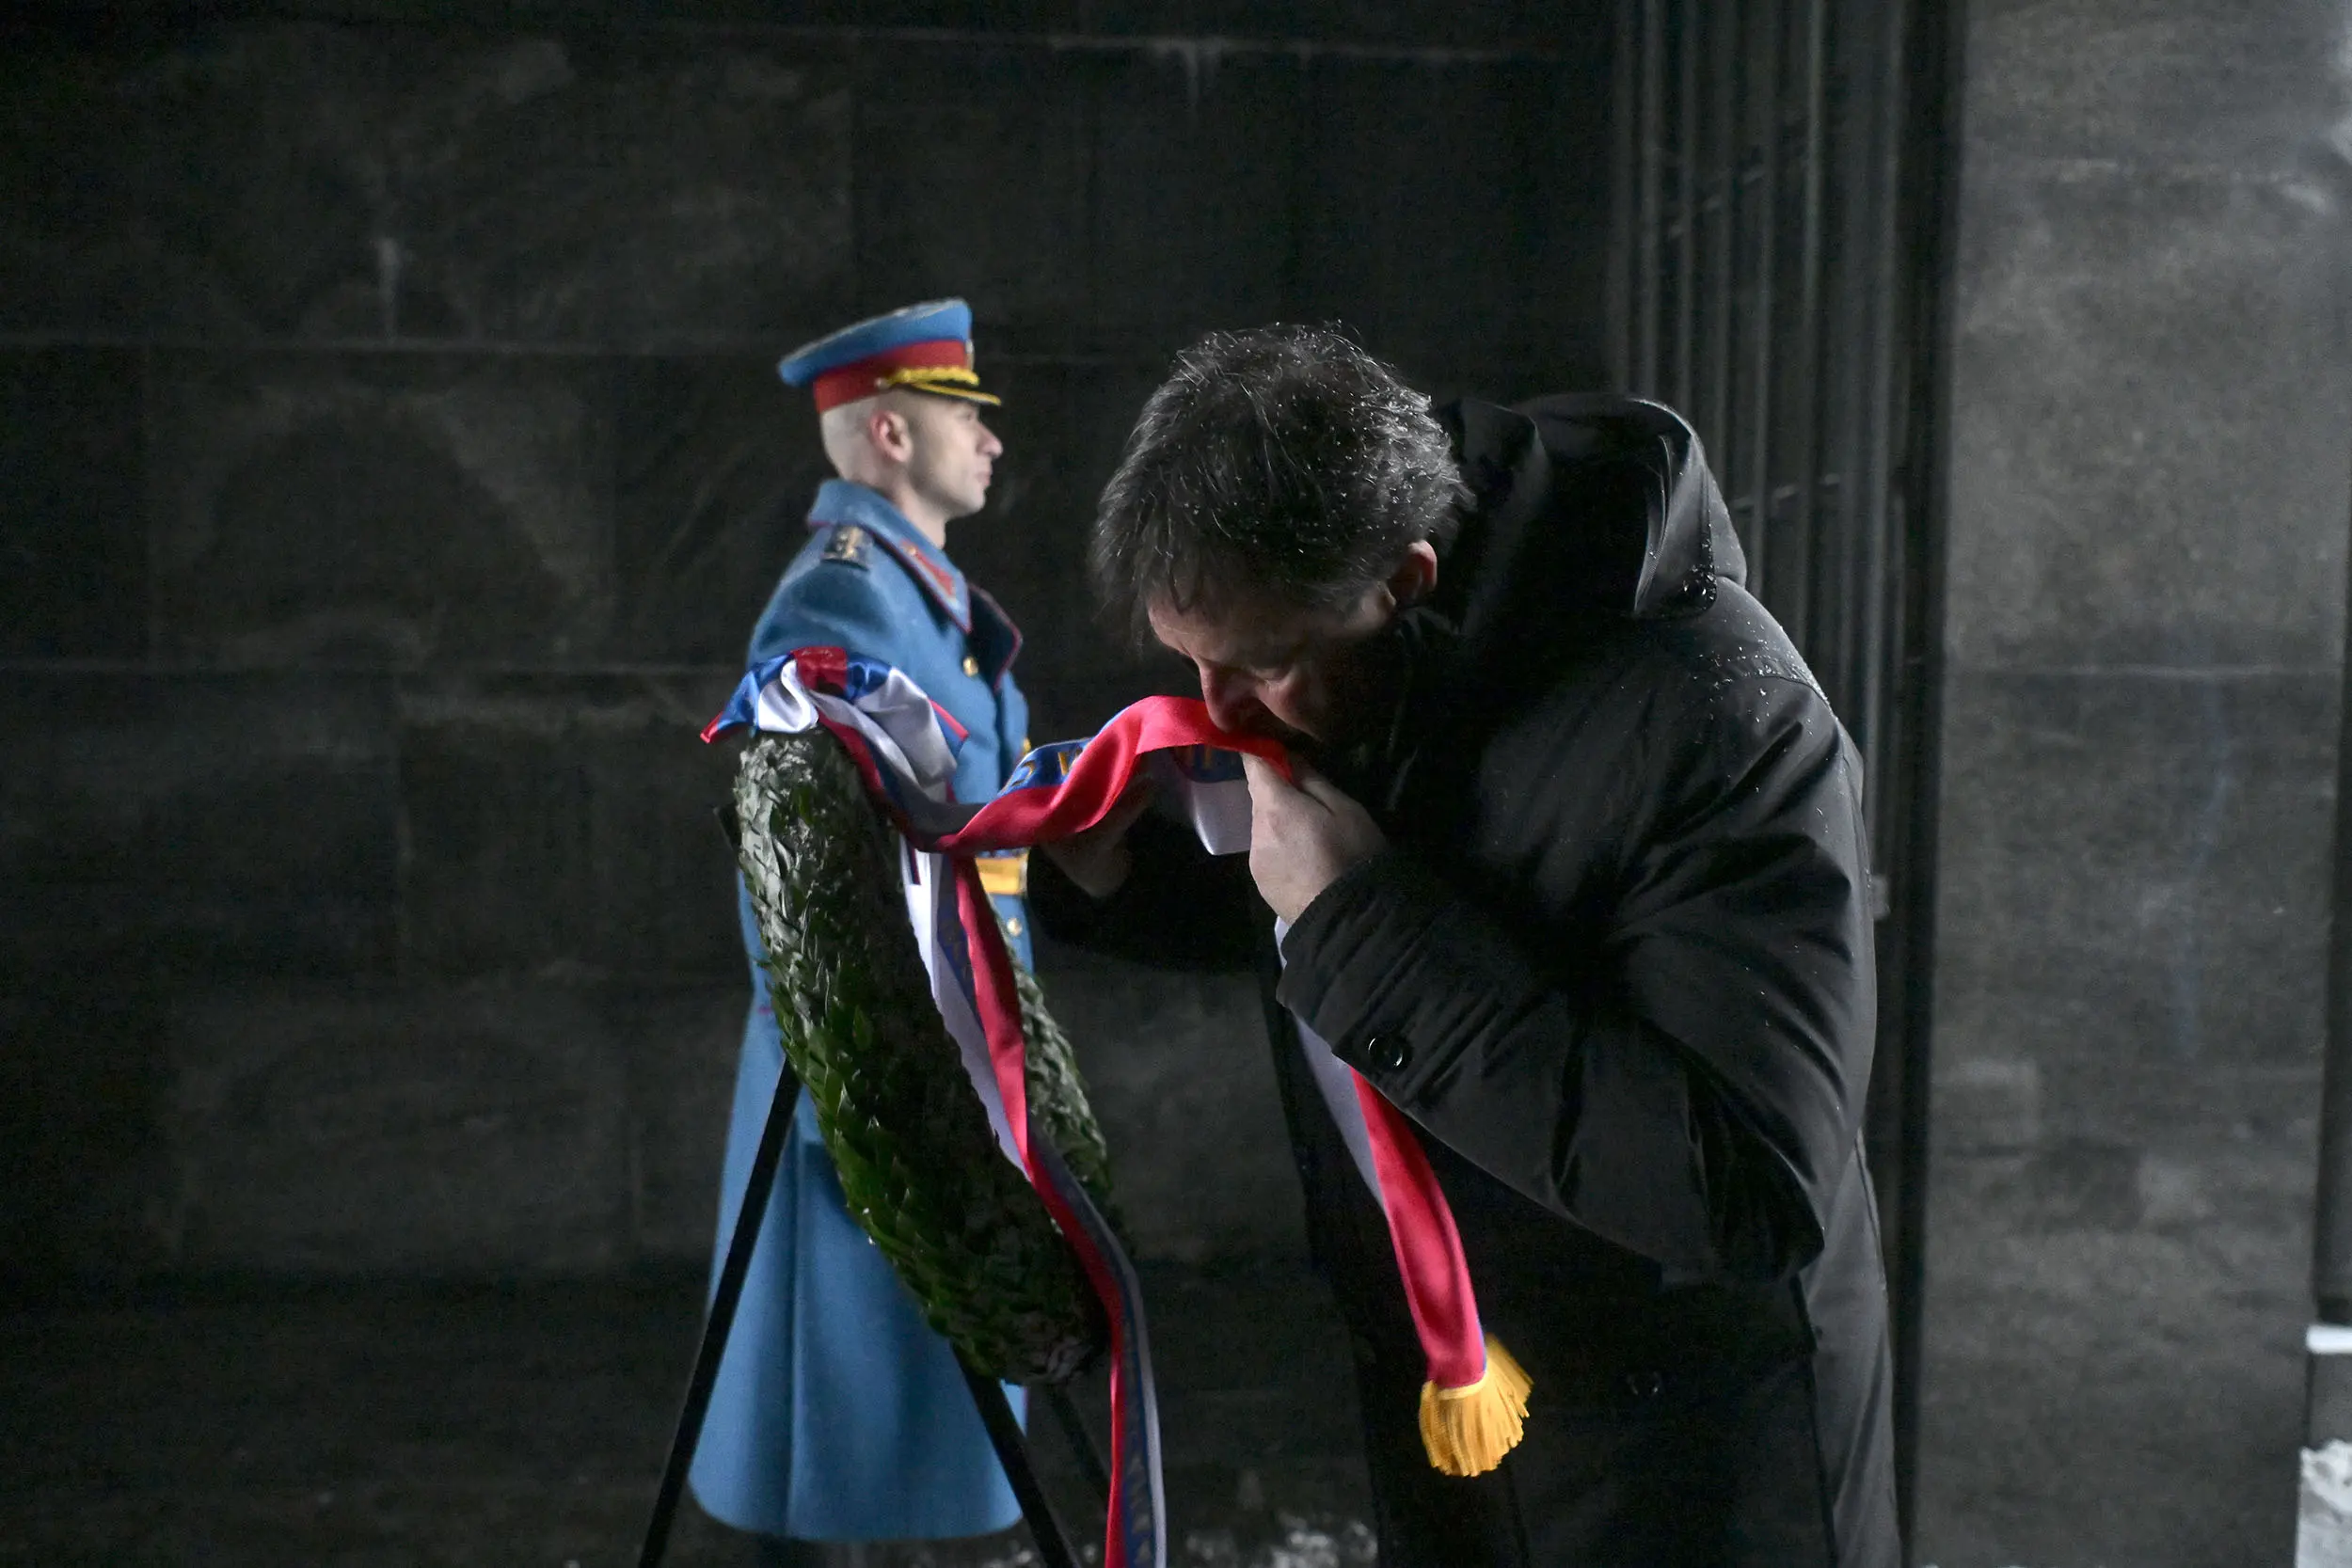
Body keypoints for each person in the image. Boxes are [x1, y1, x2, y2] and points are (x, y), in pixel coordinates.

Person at [1032, 325, 1899, 1565]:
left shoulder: (1727, 722)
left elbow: (1751, 1189)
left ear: (1407, 579)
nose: (1214, 710)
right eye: (1192, 664)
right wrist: (1123, 879)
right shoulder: (1384, 660)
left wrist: (1356, 922)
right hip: (1461, 1407)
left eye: (1262, 664)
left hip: (1677, 1466)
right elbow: (1422, 901)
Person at [692, 298, 1036, 1565]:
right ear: (891, 433)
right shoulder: (842, 606)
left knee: (913, 1411)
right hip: (875, 1062)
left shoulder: (914, 594)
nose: (990, 442)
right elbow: (789, 876)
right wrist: (852, 1081)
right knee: (845, 1427)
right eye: (965, 416)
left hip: (948, 1041)